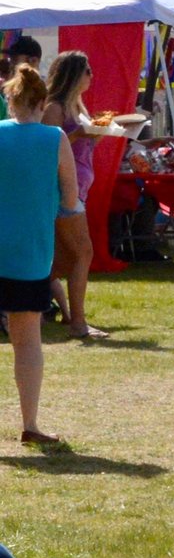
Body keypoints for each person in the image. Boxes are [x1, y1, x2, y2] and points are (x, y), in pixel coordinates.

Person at [0, 66, 76, 449]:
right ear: (43, 103)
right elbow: (71, 198)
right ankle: (29, 423)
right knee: (27, 341)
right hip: (29, 253)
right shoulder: (55, 138)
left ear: (9, 100)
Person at [39, 52, 112, 340]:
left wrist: (95, 134)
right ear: (72, 75)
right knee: (84, 252)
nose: (92, 76)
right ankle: (78, 322)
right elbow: (44, 149)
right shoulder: (55, 108)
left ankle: (25, 306)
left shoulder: (76, 106)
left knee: (60, 259)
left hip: (76, 189)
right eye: (87, 70)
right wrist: (80, 135)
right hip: (62, 191)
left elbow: (80, 146)